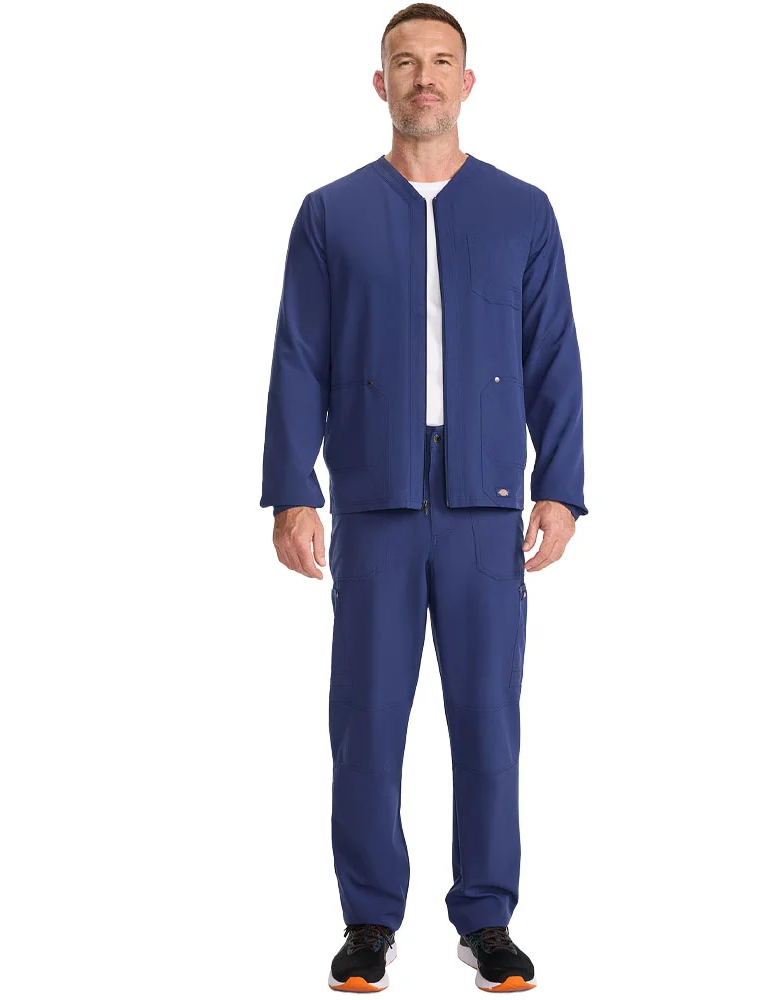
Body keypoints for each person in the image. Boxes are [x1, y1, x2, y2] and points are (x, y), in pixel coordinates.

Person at [260, 4, 587, 992]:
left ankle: (487, 919)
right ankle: (369, 919)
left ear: (467, 82)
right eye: (405, 61)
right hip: (375, 499)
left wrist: (560, 486)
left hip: (486, 503)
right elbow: (298, 355)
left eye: (442, 61)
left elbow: (553, 354)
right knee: (366, 719)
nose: (424, 77)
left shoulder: (522, 210)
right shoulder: (330, 213)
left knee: (487, 718)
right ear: (381, 83)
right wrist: (291, 489)